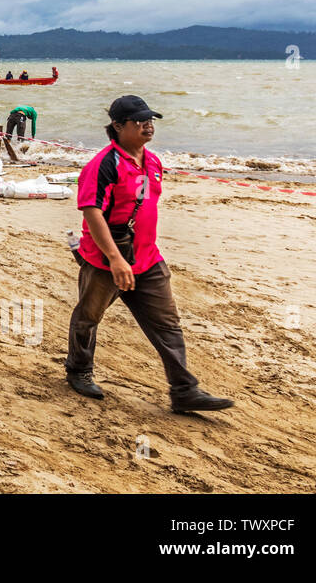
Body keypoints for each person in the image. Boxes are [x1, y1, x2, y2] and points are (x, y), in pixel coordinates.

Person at [65, 96, 234, 414]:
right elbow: (92, 211)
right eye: (139, 120)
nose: (148, 125)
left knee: (167, 324)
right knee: (89, 317)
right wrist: (115, 259)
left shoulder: (153, 162)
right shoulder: (102, 164)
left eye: (150, 119)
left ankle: (184, 390)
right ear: (118, 126)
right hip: (105, 259)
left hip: (147, 257)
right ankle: (78, 371)